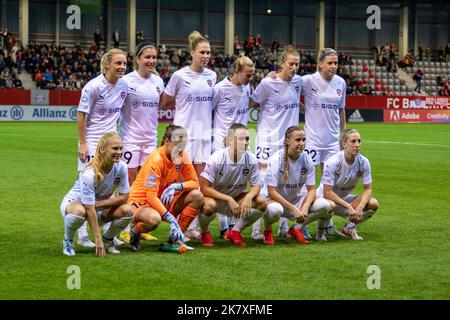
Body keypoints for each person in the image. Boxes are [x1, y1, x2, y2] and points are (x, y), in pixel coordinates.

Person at [160, 31, 216, 240]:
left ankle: (191, 225)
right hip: (183, 138)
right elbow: (165, 102)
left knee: (200, 184)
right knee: (183, 183)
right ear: (191, 52)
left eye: (208, 52)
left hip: (204, 136)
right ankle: (179, 223)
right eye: (202, 52)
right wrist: (183, 105)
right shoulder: (179, 76)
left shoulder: (212, 76)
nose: (205, 56)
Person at [75, 48, 128, 248]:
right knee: (85, 187)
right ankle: (81, 235)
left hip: (111, 143)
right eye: (118, 63)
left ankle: (106, 231)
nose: (122, 67)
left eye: (124, 63)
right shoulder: (93, 86)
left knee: (109, 186)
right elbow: (81, 115)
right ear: (107, 64)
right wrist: (83, 143)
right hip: (92, 143)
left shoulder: (124, 85)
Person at [250, 45, 302, 240]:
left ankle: (282, 227)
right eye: (291, 64)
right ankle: (255, 229)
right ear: (282, 63)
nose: (294, 67)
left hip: (288, 142)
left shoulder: (299, 82)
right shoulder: (267, 83)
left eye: (297, 64)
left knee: (286, 182)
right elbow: (252, 102)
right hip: (267, 139)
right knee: (261, 184)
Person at [127, 124, 204, 251]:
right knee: (154, 219)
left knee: (197, 196)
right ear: (167, 142)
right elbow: (150, 197)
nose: (180, 150)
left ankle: (177, 237)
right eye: (177, 145)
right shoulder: (156, 160)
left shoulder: (182, 156)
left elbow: (195, 182)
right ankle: (135, 233)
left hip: (163, 199)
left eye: (183, 146)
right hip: (142, 202)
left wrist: (178, 186)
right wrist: (171, 218)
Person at [117, 42, 163, 242]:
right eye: (147, 57)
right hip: (130, 139)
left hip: (150, 140)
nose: (151, 61)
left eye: (154, 57)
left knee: (146, 186)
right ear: (137, 59)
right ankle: (123, 228)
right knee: (127, 184)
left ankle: (140, 226)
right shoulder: (126, 81)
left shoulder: (158, 82)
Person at [60, 132, 133, 256]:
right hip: (76, 206)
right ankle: (68, 240)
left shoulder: (122, 167)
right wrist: (97, 239)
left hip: (97, 207)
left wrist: (99, 204)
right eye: (115, 148)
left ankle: (108, 239)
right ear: (102, 149)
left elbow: (124, 198)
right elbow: (89, 208)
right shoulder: (89, 173)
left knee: (128, 210)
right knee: (79, 212)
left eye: (121, 148)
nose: (119, 152)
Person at [301, 47, 347, 240]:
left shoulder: (341, 83)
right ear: (320, 64)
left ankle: (326, 224)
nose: (333, 66)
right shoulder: (307, 81)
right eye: (330, 63)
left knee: (331, 183)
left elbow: (342, 110)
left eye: (336, 63)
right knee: (307, 183)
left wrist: (343, 136)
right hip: (312, 141)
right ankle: (301, 222)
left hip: (332, 143)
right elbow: (287, 87)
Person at [262, 126, 334, 245]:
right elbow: (271, 192)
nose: (302, 143)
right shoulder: (276, 159)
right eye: (298, 140)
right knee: (275, 210)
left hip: (294, 200)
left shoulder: (307, 159)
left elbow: (311, 190)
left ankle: (296, 229)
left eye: (304, 140)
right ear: (287, 141)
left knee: (325, 205)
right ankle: (267, 231)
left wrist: (305, 206)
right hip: (273, 201)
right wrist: (293, 209)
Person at [198, 123, 267, 247]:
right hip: (216, 199)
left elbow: (256, 184)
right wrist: (228, 199)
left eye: (247, 139)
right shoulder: (217, 158)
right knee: (208, 206)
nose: (245, 142)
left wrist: (249, 197)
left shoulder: (250, 159)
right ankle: (204, 232)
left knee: (261, 202)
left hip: (236, 199)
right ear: (230, 140)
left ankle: (235, 231)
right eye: (241, 139)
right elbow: (204, 188)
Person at [211, 55, 255, 237]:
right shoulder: (220, 88)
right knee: (220, 183)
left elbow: (249, 103)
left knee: (239, 182)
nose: (250, 78)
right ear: (237, 71)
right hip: (222, 141)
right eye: (247, 74)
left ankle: (231, 224)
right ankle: (223, 226)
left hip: (243, 140)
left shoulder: (247, 88)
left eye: (252, 75)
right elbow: (210, 111)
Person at [316, 129, 379, 240]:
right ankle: (320, 231)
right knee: (328, 205)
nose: (357, 145)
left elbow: (368, 189)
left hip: (343, 199)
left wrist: (360, 207)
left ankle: (350, 227)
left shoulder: (364, 162)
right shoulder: (333, 162)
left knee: (373, 203)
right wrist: (348, 206)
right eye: (353, 141)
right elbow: (327, 192)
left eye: (359, 141)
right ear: (344, 144)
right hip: (324, 199)